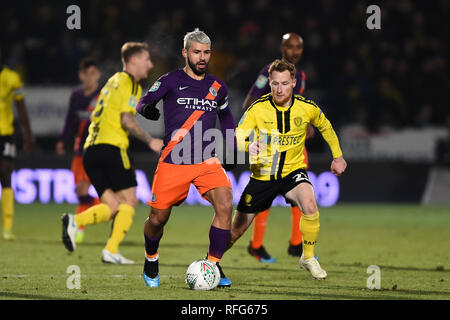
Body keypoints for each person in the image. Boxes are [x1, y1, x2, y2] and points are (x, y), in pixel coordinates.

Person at [225, 59, 347, 280]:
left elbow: (325, 126)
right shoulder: (258, 108)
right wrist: (248, 145)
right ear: (269, 84)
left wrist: (337, 156)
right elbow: (237, 135)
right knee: (236, 231)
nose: (279, 89)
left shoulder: (306, 107)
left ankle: (307, 256)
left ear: (293, 83)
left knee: (310, 203)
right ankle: (210, 261)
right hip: (263, 176)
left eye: (284, 83)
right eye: (274, 84)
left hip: (293, 172)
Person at [136, 28, 236, 288]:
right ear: (185, 53)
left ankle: (212, 265)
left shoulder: (217, 87)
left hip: (206, 160)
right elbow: (145, 101)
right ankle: (150, 257)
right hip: (174, 160)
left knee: (225, 204)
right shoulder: (170, 80)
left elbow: (225, 117)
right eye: (196, 52)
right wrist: (147, 109)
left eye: (206, 53)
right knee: (157, 219)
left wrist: (233, 144)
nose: (202, 57)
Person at [61, 42, 164, 264]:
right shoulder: (130, 83)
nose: (150, 64)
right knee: (130, 200)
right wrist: (150, 141)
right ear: (133, 61)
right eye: (147, 59)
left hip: (90, 151)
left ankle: (74, 220)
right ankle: (111, 249)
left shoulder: (111, 81)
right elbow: (126, 119)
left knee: (113, 205)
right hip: (112, 148)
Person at [242, 32, 314, 262]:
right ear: (282, 48)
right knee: (265, 194)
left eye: (298, 47)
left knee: (300, 186)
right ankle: (255, 245)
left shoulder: (300, 75)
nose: (294, 51)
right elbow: (248, 102)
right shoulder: (268, 73)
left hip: (292, 142)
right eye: (290, 46)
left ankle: (295, 244)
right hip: (270, 141)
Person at [56, 57, 102, 244]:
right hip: (79, 149)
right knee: (80, 193)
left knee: (83, 190)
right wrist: (62, 140)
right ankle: (108, 210)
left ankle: (76, 226)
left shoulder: (104, 94)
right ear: (81, 75)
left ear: (98, 74)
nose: (91, 77)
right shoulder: (76, 96)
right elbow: (70, 120)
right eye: (87, 74)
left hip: (97, 148)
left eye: (93, 73)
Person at [0, 53, 34, 240]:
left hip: (5, 134)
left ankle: (7, 227)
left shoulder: (11, 78)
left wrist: (28, 134)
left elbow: (21, 107)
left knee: (6, 173)